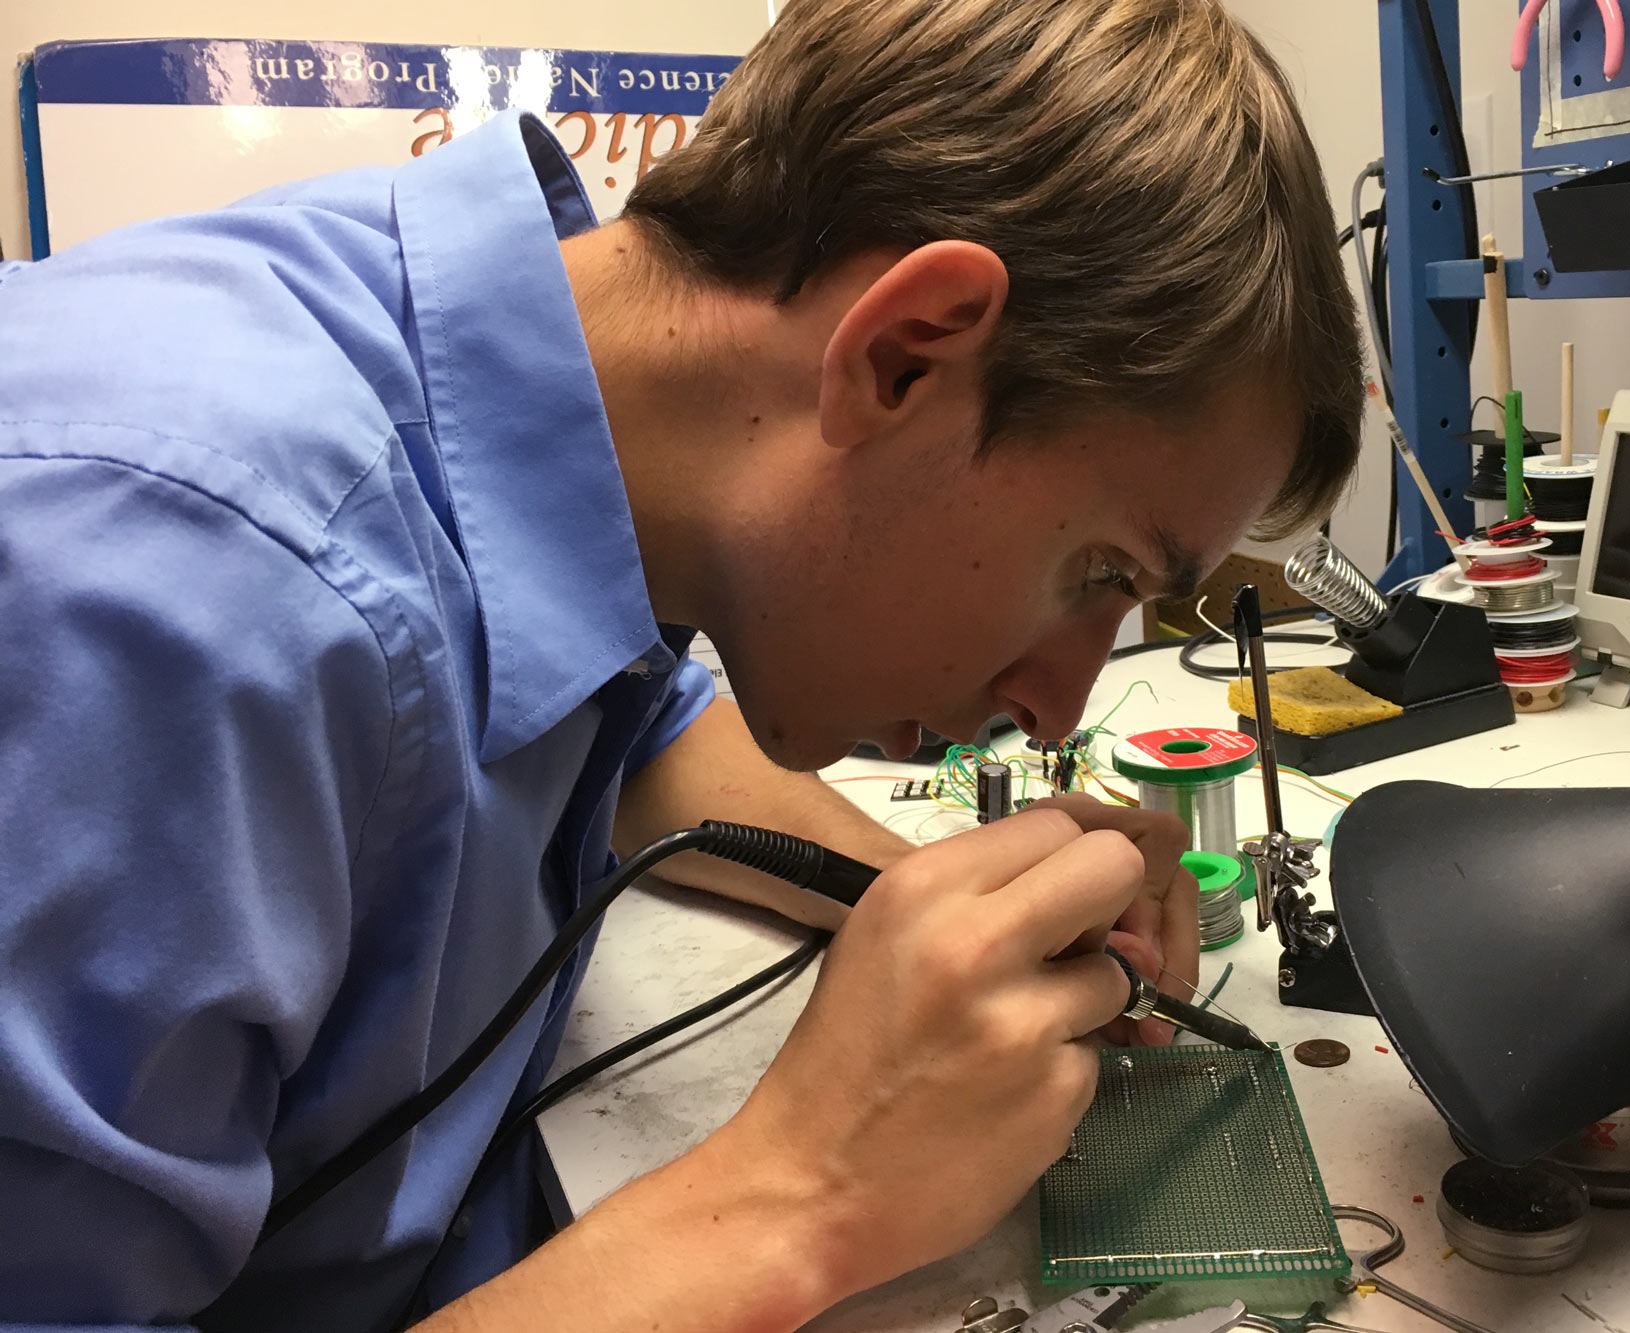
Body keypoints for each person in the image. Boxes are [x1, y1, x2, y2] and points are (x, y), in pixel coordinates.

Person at [0, 0, 1362, 1328]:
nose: (1055, 702)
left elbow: (649, 733)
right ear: (903, 355)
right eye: (1102, 575)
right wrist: (796, 1196)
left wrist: (958, 925)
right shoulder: (170, 595)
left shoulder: (575, 411)